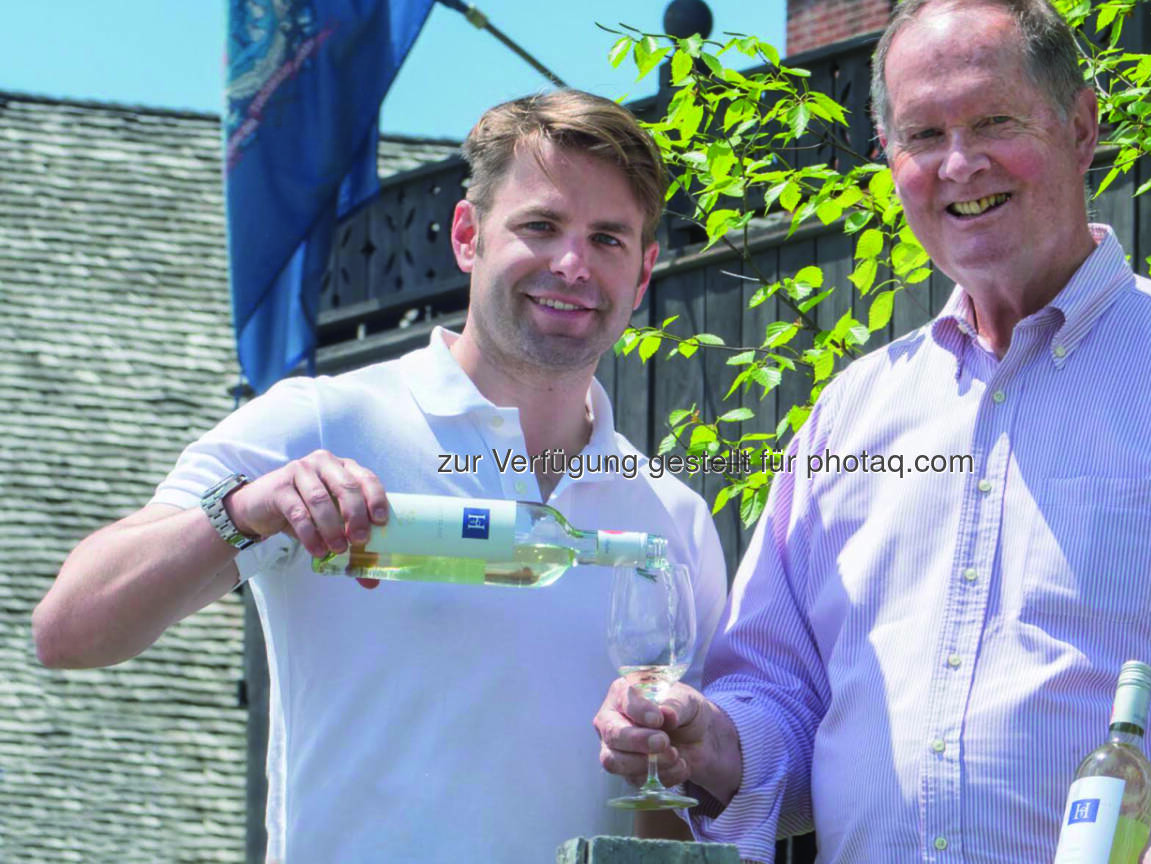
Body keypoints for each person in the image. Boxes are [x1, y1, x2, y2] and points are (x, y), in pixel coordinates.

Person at [594, 0, 1151, 864]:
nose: (958, 164)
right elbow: (783, 701)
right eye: (923, 135)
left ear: (1083, 127)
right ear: (888, 155)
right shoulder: (851, 417)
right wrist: (710, 739)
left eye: (994, 123)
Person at [33, 90, 729, 861]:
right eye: (540, 226)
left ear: (643, 273)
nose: (572, 264)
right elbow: (70, 629)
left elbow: (681, 809)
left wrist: (672, 765)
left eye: (608, 239)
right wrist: (249, 510)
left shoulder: (672, 518)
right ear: (468, 237)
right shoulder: (324, 425)